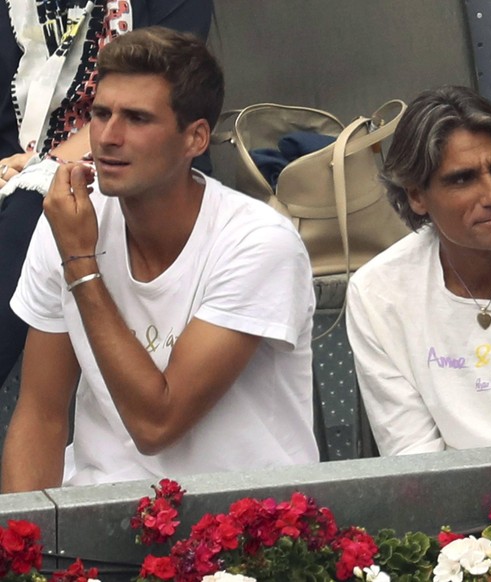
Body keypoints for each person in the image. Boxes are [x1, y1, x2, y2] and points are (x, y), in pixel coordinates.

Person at [1, 26, 319, 492]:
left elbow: (158, 424)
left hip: (243, 527)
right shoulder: (68, 222)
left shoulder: (258, 241)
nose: (108, 137)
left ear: (195, 138)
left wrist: (81, 264)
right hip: (98, 515)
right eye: (101, 113)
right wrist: (21, 553)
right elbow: (41, 417)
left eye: (137, 118)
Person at [346, 84, 491, 455]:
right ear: (416, 195)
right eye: (463, 178)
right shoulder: (378, 292)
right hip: (448, 506)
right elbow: (412, 455)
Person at [0, 0, 214, 388]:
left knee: (32, 210)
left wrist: (36, 169)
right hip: (14, 168)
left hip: (134, 161)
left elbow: (154, 100)